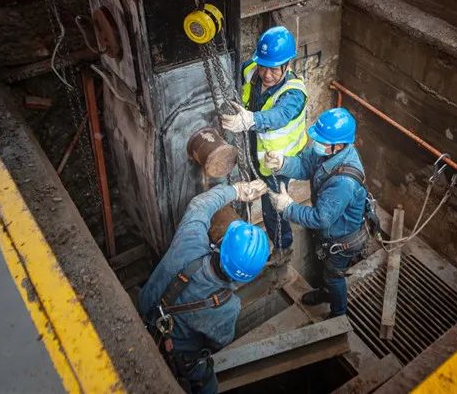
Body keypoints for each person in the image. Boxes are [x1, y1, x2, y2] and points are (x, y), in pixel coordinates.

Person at [138, 179, 269, 394]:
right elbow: (220, 342)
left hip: (144, 311)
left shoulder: (189, 243)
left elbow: (200, 205)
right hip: (176, 354)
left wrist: (235, 190)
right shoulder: (227, 307)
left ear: (221, 243)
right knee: (207, 384)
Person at [265, 108, 367, 318]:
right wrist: (283, 164)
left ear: (338, 145)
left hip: (343, 239)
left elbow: (321, 218)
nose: (316, 143)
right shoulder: (328, 151)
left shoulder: (343, 182)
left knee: (334, 276)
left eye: (321, 141)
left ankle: (338, 314)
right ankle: (325, 292)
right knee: (325, 269)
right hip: (330, 232)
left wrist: (288, 208)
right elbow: (304, 165)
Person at [220, 26, 308, 258]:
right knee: (245, 189)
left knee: (273, 207)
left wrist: (249, 119)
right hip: (254, 146)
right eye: (263, 67)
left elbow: (279, 116)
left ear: (287, 65)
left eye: (274, 70)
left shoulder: (294, 94)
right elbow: (234, 70)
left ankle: (282, 247)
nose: (266, 75)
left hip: (278, 162)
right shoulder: (252, 70)